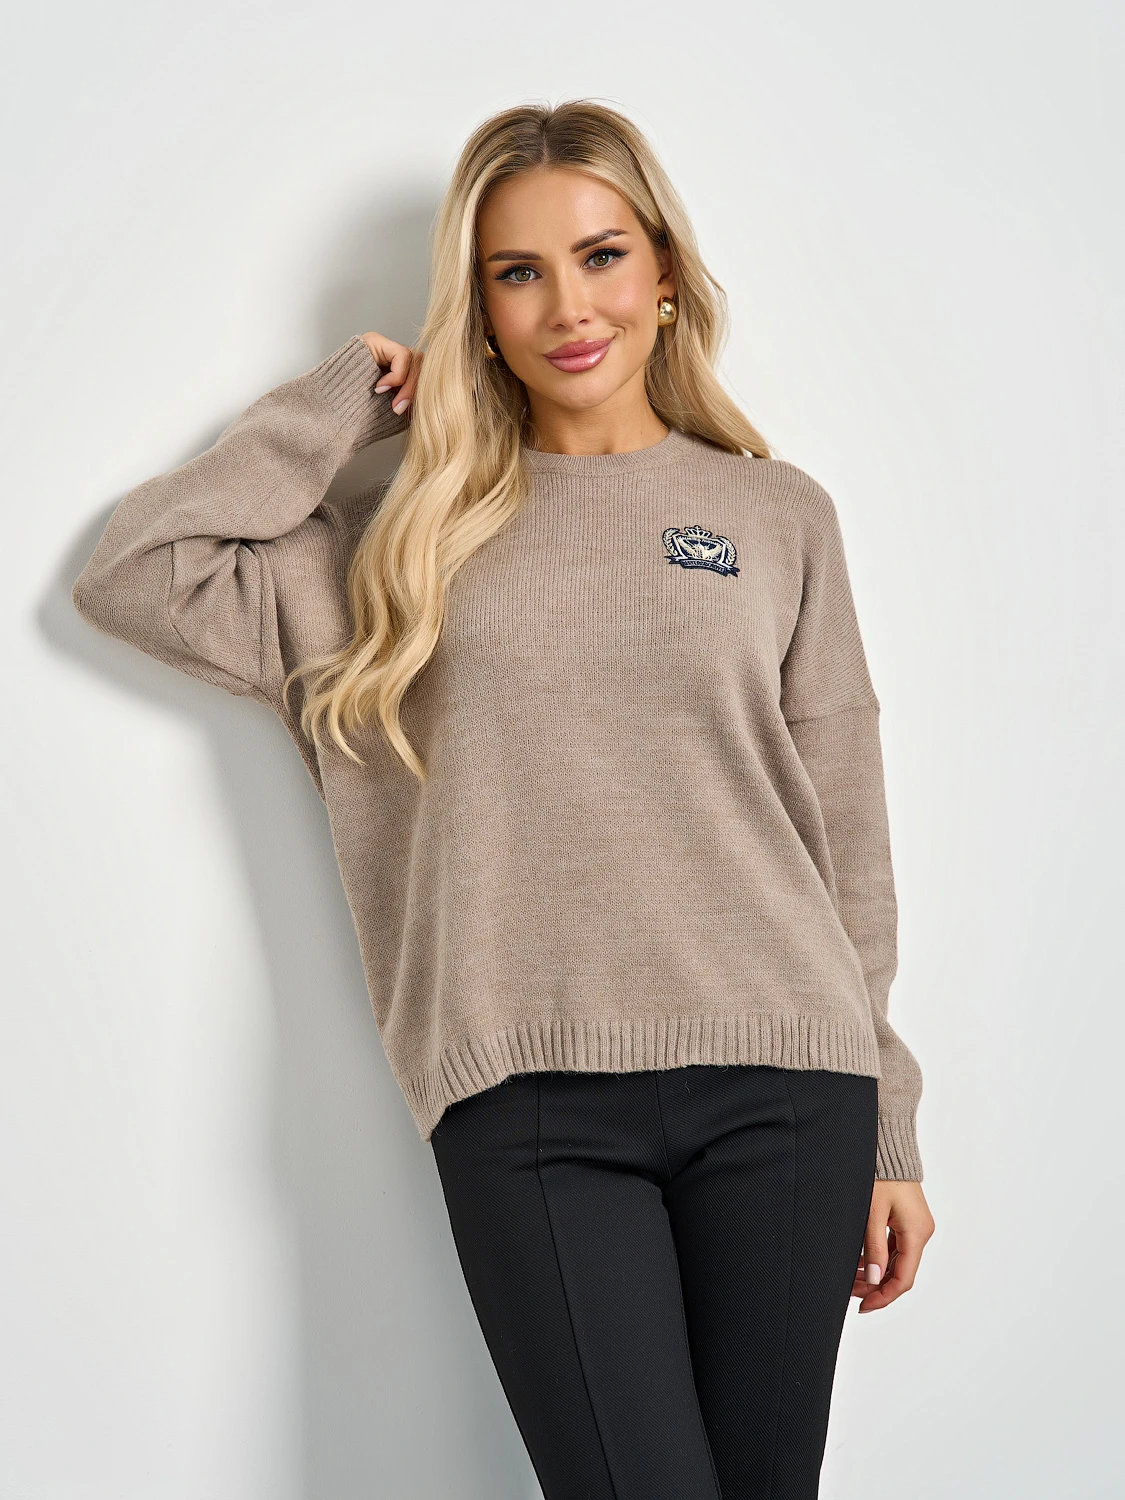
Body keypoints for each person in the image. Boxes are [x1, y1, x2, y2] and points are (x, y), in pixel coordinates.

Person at [72, 98, 936, 1499]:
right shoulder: (396, 548)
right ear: (474, 306)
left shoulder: (779, 517)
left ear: (665, 272)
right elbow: (138, 571)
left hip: (788, 1087)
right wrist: (342, 404)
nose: (568, 308)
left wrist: (890, 1121)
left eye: (601, 256)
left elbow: (847, 828)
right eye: (515, 272)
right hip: (528, 1103)